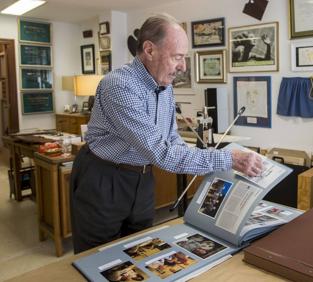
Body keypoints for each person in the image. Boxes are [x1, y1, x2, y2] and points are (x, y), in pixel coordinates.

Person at [69, 13, 263, 254]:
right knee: (99, 259)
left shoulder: (165, 87)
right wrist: (228, 158)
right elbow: (161, 152)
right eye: (177, 57)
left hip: (142, 179)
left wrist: (214, 159)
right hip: (104, 179)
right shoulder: (119, 86)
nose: (183, 66)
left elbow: (172, 140)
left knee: (139, 253)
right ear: (149, 50)